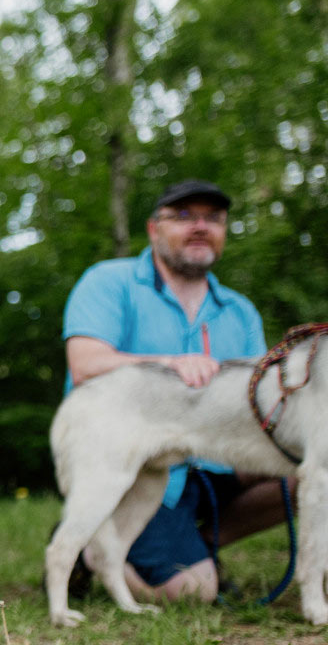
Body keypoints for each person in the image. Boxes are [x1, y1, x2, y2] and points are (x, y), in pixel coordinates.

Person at [62, 179, 288, 602]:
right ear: (153, 229)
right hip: (142, 468)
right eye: (184, 217)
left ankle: (197, 549)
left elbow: (260, 402)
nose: (200, 226)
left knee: (309, 464)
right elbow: (85, 366)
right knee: (194, 592)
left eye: (213, 218)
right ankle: (91, 545)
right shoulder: (109, 282)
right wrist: (168, 364)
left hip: (218, 461)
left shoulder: (239, 311)